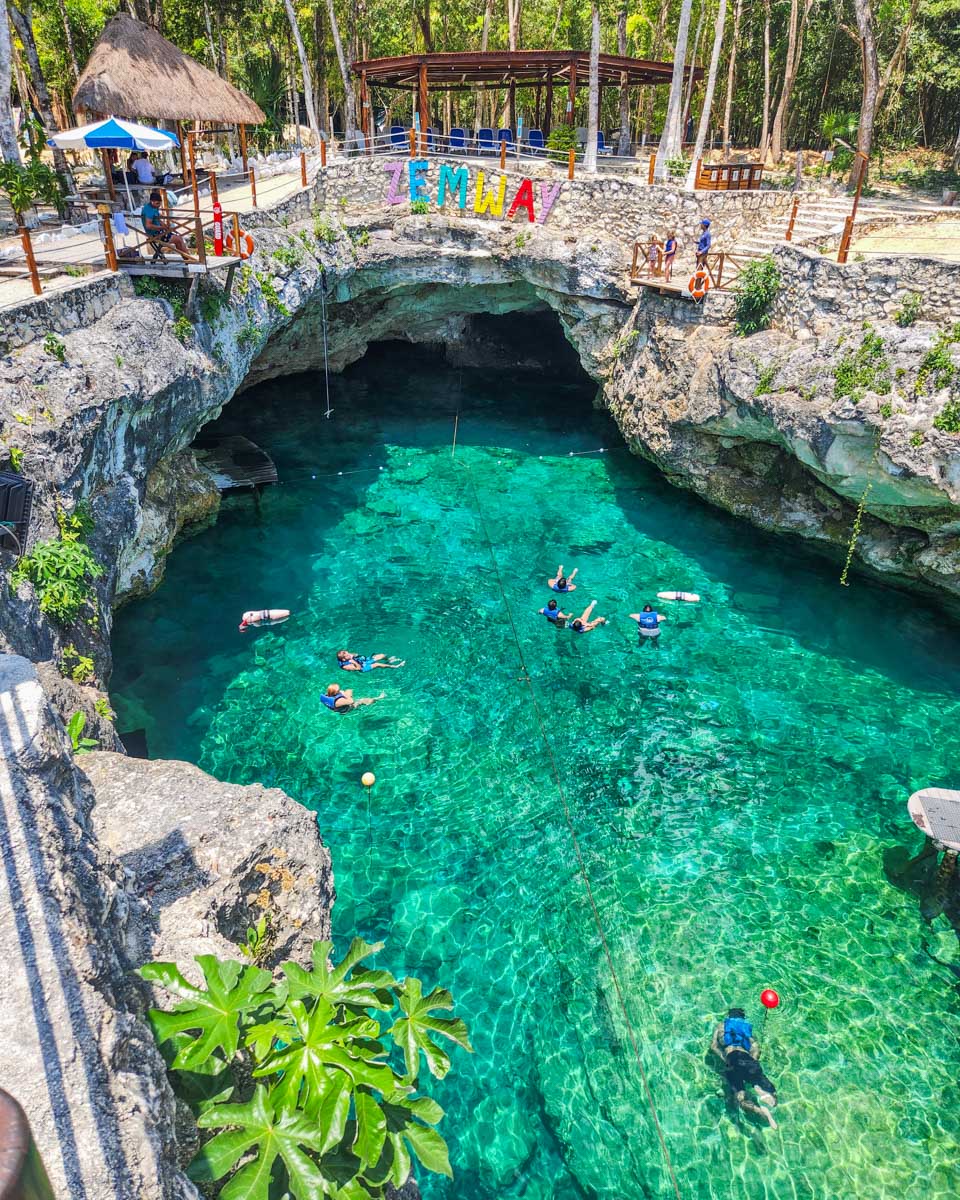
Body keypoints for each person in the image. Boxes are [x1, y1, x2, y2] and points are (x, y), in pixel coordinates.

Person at [710, 1008, 778, 1129]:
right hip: (748, 1059)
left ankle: (758, 1110)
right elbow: (756, 1049)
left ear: (729, 1016)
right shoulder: (746, 1027)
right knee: (768, 1089)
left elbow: (713, 1046)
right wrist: (753, 1062)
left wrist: (726, 1059)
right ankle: (761, 1091)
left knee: (740, 1098)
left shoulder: (721, 1026)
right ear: (742, 1017)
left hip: (732, 1059)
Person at [141, 189, 195, 261]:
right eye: (157, 203)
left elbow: (158, 219)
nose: (159, 206)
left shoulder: (153, 207)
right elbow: (148, 225)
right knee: (178, 239)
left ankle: (187, 258)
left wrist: (165, 226)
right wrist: (161, 227)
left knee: (179, 238)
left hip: (159, 231)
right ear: (152, 201)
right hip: (155, 234)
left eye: (159, 204)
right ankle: (188, 259)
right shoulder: (149, 210)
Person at [320, 684, 385, 713]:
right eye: (339, 690)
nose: (340, 690)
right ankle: (379, 698)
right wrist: (344, 694)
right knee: (362, 700)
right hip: (347, 709)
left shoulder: (327, 695)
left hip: (338, 709)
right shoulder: (339, 701)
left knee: (349, 690)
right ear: (335, 692)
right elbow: (351, 701)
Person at [337, 650, 404, 671]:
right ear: (344, 659)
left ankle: (388, 660)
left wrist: (353, 655)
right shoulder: (346, 666)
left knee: (382, 655)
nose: (349, 654)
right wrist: (353, 661)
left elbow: (356, 654)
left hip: (364, 661)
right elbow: (358, 668)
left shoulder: (348, 656)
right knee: (377, 664)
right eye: (347, 655)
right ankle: (395, 666)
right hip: (363, 668)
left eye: (348, 653)